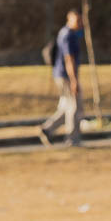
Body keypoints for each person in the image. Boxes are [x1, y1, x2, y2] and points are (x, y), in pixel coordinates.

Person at [39, 8, 85, 147]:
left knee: (66, 106)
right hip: (66, 75)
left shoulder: (66, 33)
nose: (79, 23)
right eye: (76, 20)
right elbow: (68, 59)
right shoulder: (68, 35)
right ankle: (72, 139)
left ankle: (47, 129)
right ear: (69, 19)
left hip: (59, 74)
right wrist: (74, 81)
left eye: (80, 20)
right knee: (75, 107)